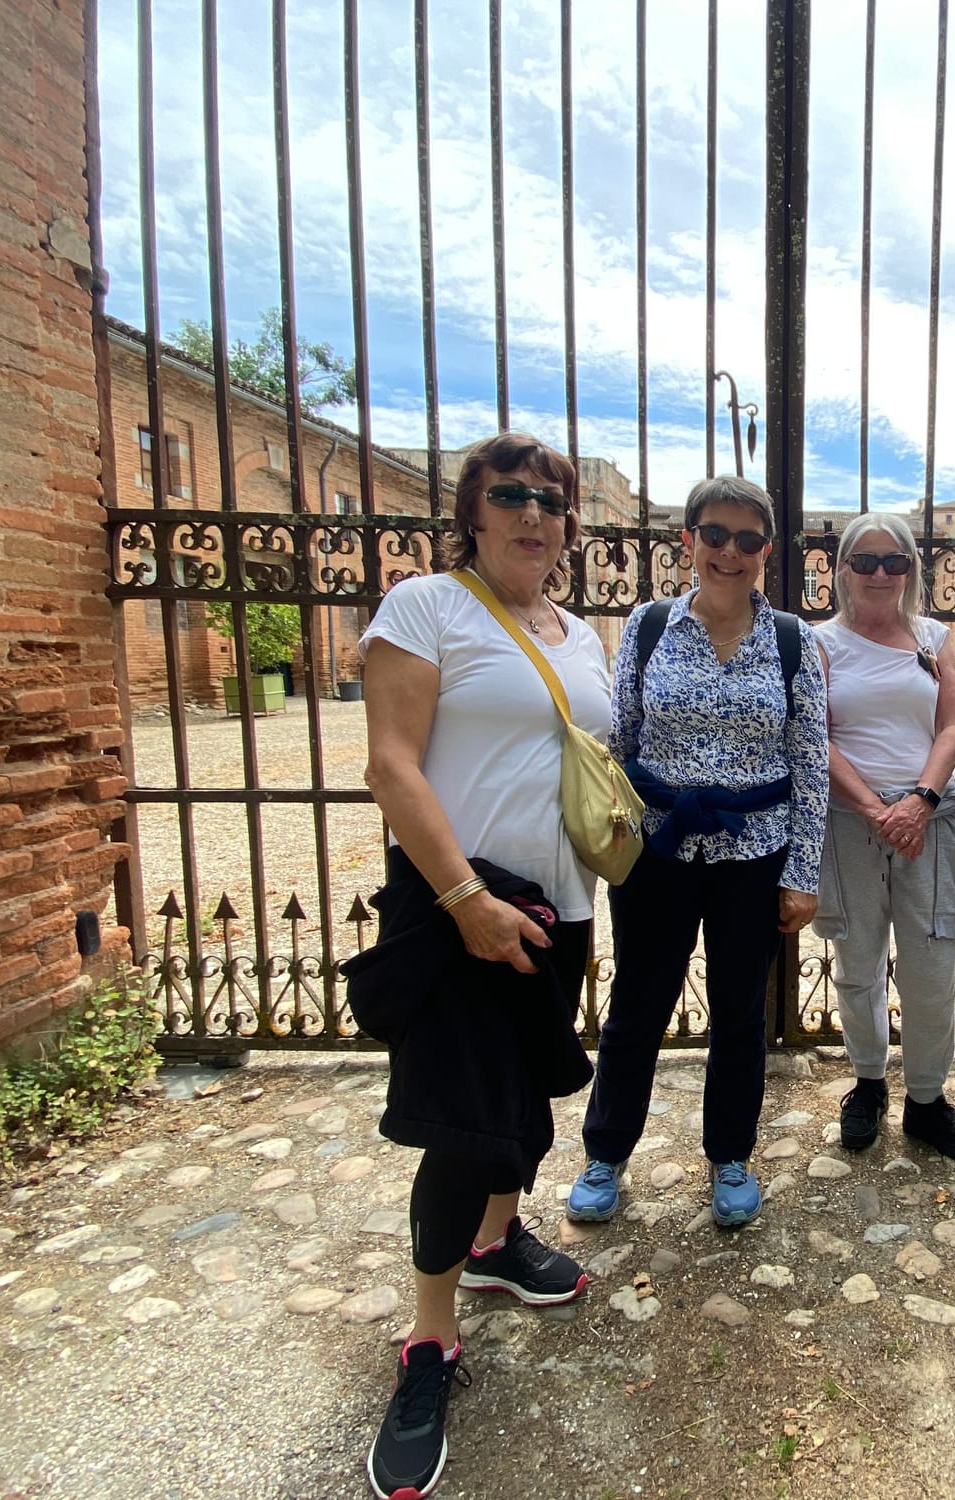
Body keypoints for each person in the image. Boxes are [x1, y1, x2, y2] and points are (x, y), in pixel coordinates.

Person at [350, 433, 611, 1500]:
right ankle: (428, 1339)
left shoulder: (577, 632)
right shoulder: (425, 607)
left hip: (563, 908)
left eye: (551, 502)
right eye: (508, 495)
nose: (531, 514)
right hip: (465, 903)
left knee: (523, 1103)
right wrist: (465, 901)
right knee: (461, 1128)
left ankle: (499, 1245)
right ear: (471, 509)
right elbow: (390, 762)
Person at [566, 475, 828, 1229]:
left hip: (756, 853)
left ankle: (731, 1154)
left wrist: (802, 872)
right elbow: (619, 745)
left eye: (748, 540)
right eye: (714, 534)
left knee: (741, 1017)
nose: (729, 552)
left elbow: (811, 757)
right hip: (660, 851)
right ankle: (607, 1151)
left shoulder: (790, 641)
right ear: (689, 540)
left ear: (766, 552)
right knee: (637, 1009)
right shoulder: (647, 629)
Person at [812, 512, 955, 1165]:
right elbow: (816, 733)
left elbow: (950, 727)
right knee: (857, 965)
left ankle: (928, 1100)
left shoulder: (933, 637)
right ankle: (869, 1083)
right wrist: (873, 807)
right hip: (849, 822)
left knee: (932, 966)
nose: (881, 574)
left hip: (928, 822)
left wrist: (918, 800)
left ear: (911, 570)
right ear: (843, 570)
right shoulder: (819, 641)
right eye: (866, 561)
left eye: (895, 562)